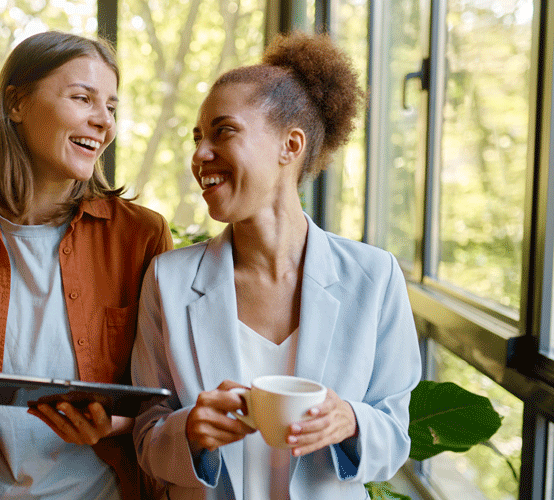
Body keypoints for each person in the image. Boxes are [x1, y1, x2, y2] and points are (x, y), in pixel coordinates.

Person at [131, 32, 421, 499]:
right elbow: (147, 437)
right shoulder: (169, 280)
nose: (200, 154)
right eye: (198, 138)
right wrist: (189, 432)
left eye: (223, 131)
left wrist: (350, 421)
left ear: (291, 145)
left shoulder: (374, 278)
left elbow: (394, 437)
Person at [0, 31, 172, 499]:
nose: (102, 121)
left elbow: (168, 397)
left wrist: (114, 421)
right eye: (82, 98)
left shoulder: (141, 237)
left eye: (110, 107)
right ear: (16, 104)